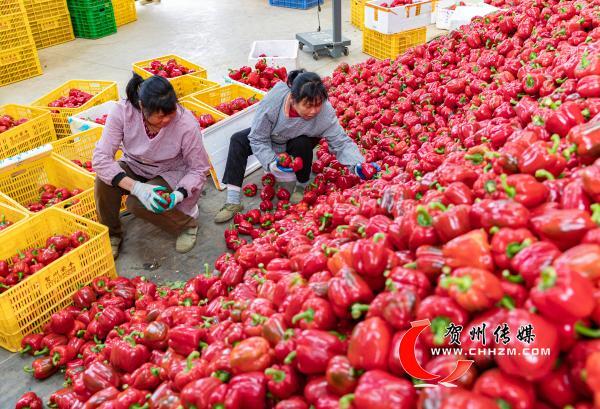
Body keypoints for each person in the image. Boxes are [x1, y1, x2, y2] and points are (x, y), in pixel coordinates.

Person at [214, 69, 366, 223]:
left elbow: (341, 141)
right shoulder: (273, 102)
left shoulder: (324, 113)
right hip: (271, 137)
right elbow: (258, 137)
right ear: (293, 99)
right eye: (307, 105)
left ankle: (301, 185)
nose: (313, 111)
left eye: (318, 105)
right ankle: (232, 201)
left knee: (303, 143)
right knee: (238, 140)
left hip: (297, 141)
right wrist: (271, 162)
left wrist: (358, 164)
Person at [93, 73, 210, 258]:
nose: (166, 121)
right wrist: (136, 187)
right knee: (103, 181)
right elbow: (101, 158)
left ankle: (186, 225)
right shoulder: (123, 112)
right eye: (159, 117)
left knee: (138, 203)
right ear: (141, 107)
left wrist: (180, 194)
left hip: (169, 170)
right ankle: (113, 234)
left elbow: (199, 167)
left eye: (170, 114)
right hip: (134, 163)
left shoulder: (186, 124)